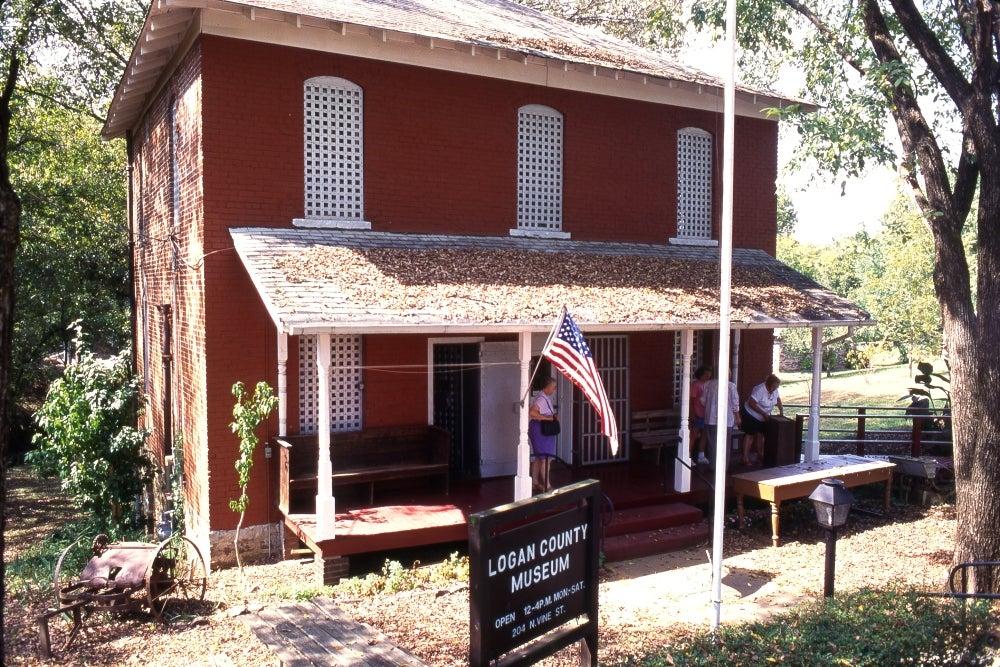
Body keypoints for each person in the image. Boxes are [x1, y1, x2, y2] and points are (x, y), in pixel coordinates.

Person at [740, 374, 783, 467]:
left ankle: (760, 455)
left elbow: (778, 400)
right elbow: (751, 403)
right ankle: (745, 458)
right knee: (750, 435)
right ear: (768, 384)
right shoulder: (760, 389)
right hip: (751, 414)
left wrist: (781, 411)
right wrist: (763, 413)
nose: (775, 389)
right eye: (774, 387)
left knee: (761, 435)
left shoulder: (775, 389)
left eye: (777, 387)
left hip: (765, 416)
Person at [701, 374, 740, 470]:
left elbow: (703, 401)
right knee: (725, 444)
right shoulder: (731, 386)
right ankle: (723, 467)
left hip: (710, 418)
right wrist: (737, 417)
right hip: (726, 419)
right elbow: (735, 404)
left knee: (712, 444)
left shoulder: (708, 384)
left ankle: (713, 465)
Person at [528, 377, 559, 493]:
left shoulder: (543, 397)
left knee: (539, 458)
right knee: (546, 458)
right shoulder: (541, 399)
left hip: (540, 430)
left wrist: (551, 417)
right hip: (541, 430)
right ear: (548, 387)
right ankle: (547, 486)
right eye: (554, 387)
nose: (555, 389)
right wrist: (548, 418)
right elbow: (532, 412)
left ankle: (535, 482)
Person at [690, 367, 712, 465]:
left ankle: (701, 456)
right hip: (697, 413)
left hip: (706, 414)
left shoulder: (709, 385)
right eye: (706, 374)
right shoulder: (695, 385)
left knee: (704, 435)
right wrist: (692, 414)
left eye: (709, 374)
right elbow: (691, 400)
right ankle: (688, 456)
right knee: (693, 436)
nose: (708, 376)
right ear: (700, 374)